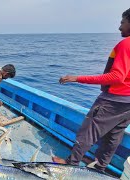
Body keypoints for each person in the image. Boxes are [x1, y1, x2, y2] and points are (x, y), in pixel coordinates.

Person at [53, 8, 130, 172]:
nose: (119, 27)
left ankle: (71, 163)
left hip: (113, 99)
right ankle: (100, 167)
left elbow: (117, 77)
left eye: (123, 22)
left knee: (88, 131)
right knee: (115, 135)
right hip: (128, 103)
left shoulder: (126, 44)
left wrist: (77, 78)